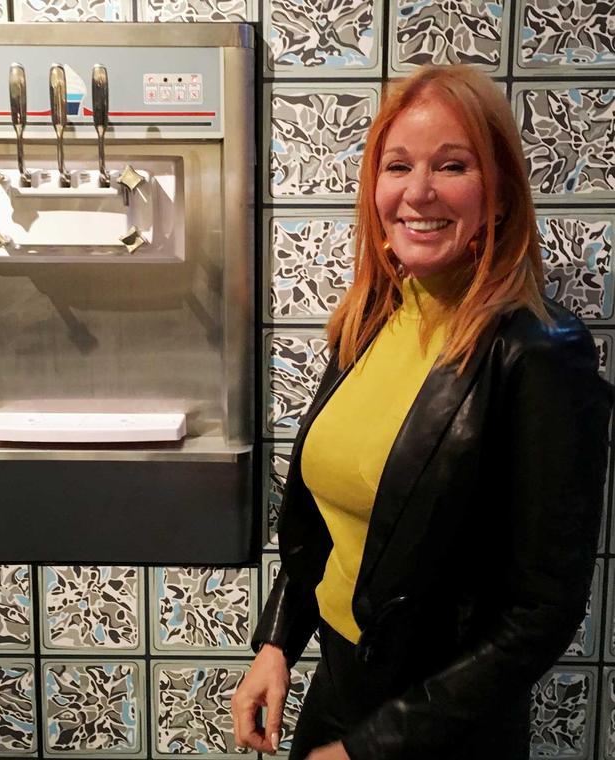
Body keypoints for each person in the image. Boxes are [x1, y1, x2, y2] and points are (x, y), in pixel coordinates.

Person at [232, 64, 613, 760]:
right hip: (341, 685)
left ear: (497, 195)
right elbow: (320, 519)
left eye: (453, 165)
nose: (418, 191)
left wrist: (373, 748)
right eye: (398, 165)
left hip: (447, 725)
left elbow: (542, 613)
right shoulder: (369, 323)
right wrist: (277, 644)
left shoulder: (540, 354)